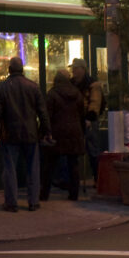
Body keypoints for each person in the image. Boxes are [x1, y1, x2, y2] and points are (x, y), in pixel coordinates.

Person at [0, 57, 52, 212]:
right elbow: (42, 112)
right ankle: (33, 201)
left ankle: (11, 202)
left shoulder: (2, 87)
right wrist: (46, 131)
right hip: (31, 133)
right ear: (22, 69)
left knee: (10, 168)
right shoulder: (33, 86)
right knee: (33, 167)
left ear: (9, 69)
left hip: (10, 134)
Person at [43, 68, 85, 201]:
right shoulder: (77, 93)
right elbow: (81, 114)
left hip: (57, 133)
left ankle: (44, 194)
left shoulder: (52, 94)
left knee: (49, 165)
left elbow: (47, 115)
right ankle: (74, 194)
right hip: (74, 132)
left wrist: (45, 132)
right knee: (73, 164)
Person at [69, 59, 104, 183]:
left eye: (76, 68)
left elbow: (95, 102)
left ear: (83, 70)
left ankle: (97, 178)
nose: (73, 71)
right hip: (75, 120)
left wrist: (89, 118)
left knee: (93, 150)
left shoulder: (93, 84)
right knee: (73, 151)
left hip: (89, 121)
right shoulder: (71, 84)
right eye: (73, 69)